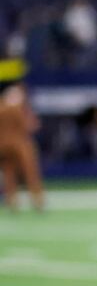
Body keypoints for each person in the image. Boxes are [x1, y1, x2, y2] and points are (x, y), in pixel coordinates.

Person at [0, 81, 46, 212]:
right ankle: (38, 200)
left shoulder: (1, 107)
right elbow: (30, 126)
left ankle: (12, 201)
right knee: (30, 172)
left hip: (3, 145)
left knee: (8, 173)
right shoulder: (19, 108)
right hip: (20, 144)